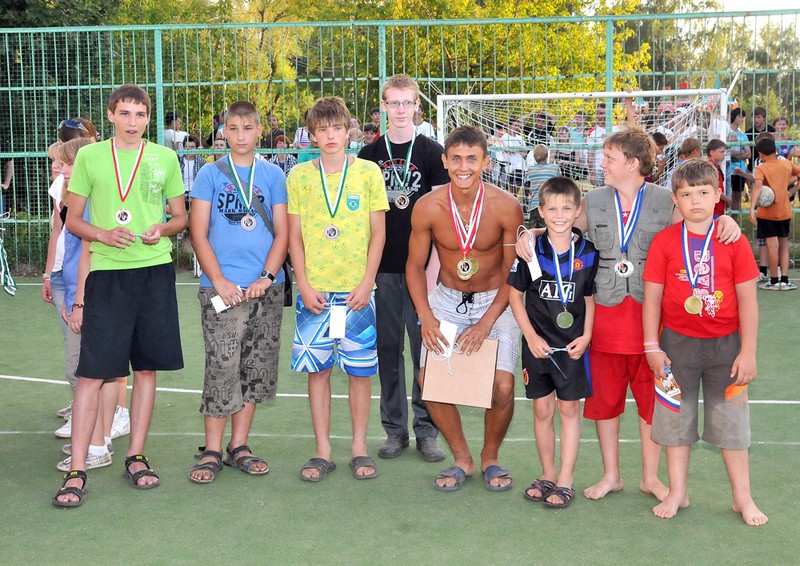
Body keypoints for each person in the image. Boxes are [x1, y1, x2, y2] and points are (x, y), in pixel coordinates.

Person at [514, 128, 742, 502]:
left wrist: (723, 221)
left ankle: (650, 477)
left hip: (652, 320)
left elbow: (695, 227)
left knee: (651, 401)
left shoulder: (665, 200)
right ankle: (611, 475)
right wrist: (532, 233)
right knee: (605, 400)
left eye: (609, 158)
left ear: (633, 164)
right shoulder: (593, 200)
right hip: (604, 317)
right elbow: (563, 231)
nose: (602, 164)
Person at [53, 84, 187, 507]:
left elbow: (180, 217)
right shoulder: (91, 157)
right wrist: (104, 234)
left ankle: (136, 455)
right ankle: (77, 469)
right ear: (110, 115)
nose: (133, 122)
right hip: (107, 275)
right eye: (125, 113)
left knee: (146, 369)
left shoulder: (164, 158)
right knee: (92, 374)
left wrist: (162, 229)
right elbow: (73, 221)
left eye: (141, 114)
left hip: (154, 272)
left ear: (148, 118)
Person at [642, 158, 767, 526]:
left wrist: (748, 351)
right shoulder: (665, 242)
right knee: (675, 419)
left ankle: (742, 497)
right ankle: (677, 491)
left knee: (732, 423)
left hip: (726, 347)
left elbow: (748, 300)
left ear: (717, 196)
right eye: (686, 194)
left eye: (702, 192)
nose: (694, 200)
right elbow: (652, 299)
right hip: (675, 346)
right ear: (675, 200)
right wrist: (651, 346)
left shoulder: (733, 239)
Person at [406, 125, 523, 492]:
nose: (463, 167)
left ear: (485, 162)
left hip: (496, 301)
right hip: (446, 301)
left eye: (472, 159)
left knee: (502, 386)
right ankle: (462, 458)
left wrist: (486, 323)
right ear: (444, 161)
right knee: (429, 381)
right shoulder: (427, 206)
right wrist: (426, 317)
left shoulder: (506, 206)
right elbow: (414, 267)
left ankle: (490, 457)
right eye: (456, 159)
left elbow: (513, 272)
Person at [287, 96, 388, 482]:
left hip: (356, 295)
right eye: (322, 129)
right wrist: (303, 284)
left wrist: (366, 283)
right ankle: (322, 450)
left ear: (349, 132)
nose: (330, 135)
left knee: (360, 373)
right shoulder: (299, 176)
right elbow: (294, 237)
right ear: (312, 135)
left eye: (337, 128)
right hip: (314, 294)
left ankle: (359, 447)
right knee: (319, 372)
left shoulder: (368, 173)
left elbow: (378, 234)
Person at [187, 100, 288, 484]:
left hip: (265, 289)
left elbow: (283, 233)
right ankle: (212, 449)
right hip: (221, 289)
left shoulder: (273, 174)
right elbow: (198, 232)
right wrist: (219, 280)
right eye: (233, 129)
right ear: (223, 132)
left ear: (260, 130)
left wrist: (266, 276)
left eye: (248, 128)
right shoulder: (209, 174)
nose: (241, 135)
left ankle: (239, 445)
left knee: (255, 368)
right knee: (222, 365)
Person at [357, 74, 450, 462]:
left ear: (416, 107)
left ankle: (427, 429)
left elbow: (443, 215)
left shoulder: (432, 152)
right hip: (382, 269)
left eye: (406, 103)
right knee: (388, 350)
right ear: (383, 107)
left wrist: (434, 270)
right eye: (393, 103)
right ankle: (395, 430)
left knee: (425, 350)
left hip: (423, 270)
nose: (399, 110)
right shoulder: (367, 155)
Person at [508, 177, 598, 509]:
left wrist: (586, 336)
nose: (559, 215)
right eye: (552, 209)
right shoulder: (530, 250)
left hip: (572, 348)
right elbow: (514, 296)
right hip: (538, 347)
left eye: (566, 209)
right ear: (541, 212)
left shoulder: (588, 252)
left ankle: (565, 479)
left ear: (577, 211)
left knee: (569, 410)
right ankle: (547, 473)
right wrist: (531, 336)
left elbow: (589, 299)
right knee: (542, 409)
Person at [749, 136, 800, 291]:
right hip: (784, 211)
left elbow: (758, 187)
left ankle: (773, 280)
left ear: (760, 154)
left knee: (772, 246)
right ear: (775, 150)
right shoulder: (786, 164)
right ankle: (784, 280)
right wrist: (791, 190)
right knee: (784, 246)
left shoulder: (761, 168)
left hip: (767, 213)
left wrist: (752, 208)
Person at [526, 144, 561, 228]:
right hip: (549, 205)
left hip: (534, 206)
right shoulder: (554, 168)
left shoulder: (530, 170)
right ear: (547, 155)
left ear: (534, 156)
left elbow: (528, 186)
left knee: (533, 232)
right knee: (547, 231)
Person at [725, 108, 750, 211]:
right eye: (739, 116)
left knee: (737, 197)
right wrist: (740, 152)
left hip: (740, 169)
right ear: (734, 117)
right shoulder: (726, 132)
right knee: (725, 194)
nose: (741, 119)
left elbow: (748, 154)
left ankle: (734, 218)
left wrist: (734, 153)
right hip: (727, 168)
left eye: (743, 117)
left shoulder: (743, 135)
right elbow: (725, 151)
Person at [706, 139, 733, 217]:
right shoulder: (710, 168)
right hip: (714, 209)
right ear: (712, 152)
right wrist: (727, 200)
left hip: (718, 208)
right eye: (721, 152)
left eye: (724, 152)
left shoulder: (716, 166)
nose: (724, 154)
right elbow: (714, 188)